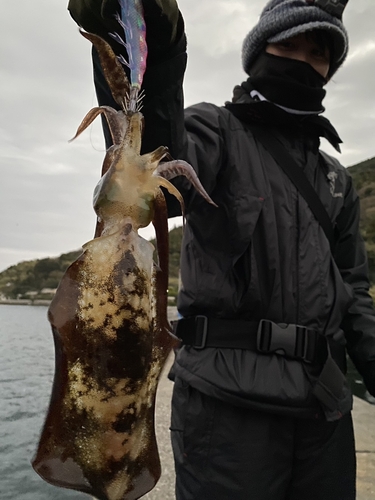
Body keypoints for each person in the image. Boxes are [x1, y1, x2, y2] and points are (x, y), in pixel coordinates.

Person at [67, 1, 375, 498]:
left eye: (318, 53)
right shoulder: (215, 131)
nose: (302, 61)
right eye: (288, 44)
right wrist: (158, 57)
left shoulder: (336, 179)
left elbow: (354, 292)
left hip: (325, 413)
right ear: (258, 53)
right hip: (226, 416)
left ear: (331, 69)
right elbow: (159, 160)